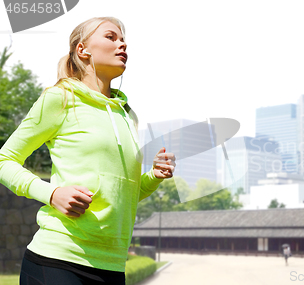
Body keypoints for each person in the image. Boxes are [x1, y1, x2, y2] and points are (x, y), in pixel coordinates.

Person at [0, 17, 176, 285]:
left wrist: (154, 177)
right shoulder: (60, 98)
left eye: (123, 39)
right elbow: (4, 160)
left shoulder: (127, 115)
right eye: (111, 37)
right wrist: (52, 193)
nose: (122, 43)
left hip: (112, 266)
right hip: (58, 260)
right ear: (83, 50)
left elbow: (121, 195)